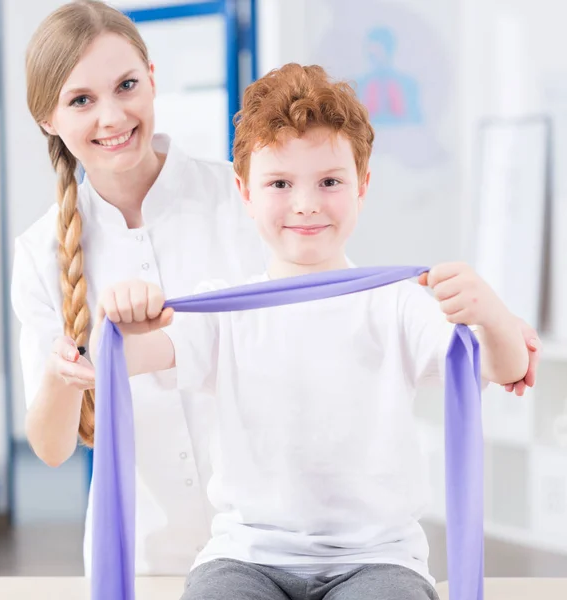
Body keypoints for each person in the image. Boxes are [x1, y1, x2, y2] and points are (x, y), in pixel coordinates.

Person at [91, 63, 534, 599]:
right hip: (246, 556)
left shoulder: (398, 303)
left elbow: (502, 366)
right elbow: (119, 358)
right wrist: (120, 316)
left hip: (378, 559)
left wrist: (491, 313)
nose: (306, 203)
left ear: (362, 186)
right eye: (279, 183)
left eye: (329, 182)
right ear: (245, 192)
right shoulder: (221, 308)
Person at [10, 0, 265, 575]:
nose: (112, 117)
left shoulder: (244, 198)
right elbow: (52, 448)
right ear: (48, 120)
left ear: (152, 80)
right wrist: (62, 374)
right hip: (140, 555)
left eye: (126, 85)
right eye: (81, 100)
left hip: (268, 544)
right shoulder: (40, 253)